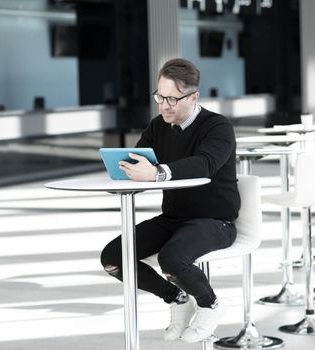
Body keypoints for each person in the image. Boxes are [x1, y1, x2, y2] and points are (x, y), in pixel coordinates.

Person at [100, 58, 240, 343]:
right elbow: (137, 159)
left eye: (172, 99)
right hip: (173, 218)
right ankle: (177, 298)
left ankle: (211, 304)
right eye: (160, 97)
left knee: (172, 259)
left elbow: (205, 163)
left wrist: (157, 173)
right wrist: (125, 170)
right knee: (113, 258)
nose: (164, 105)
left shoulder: (217, 127)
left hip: (216, 220)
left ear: (194, 96)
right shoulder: (158, 126)